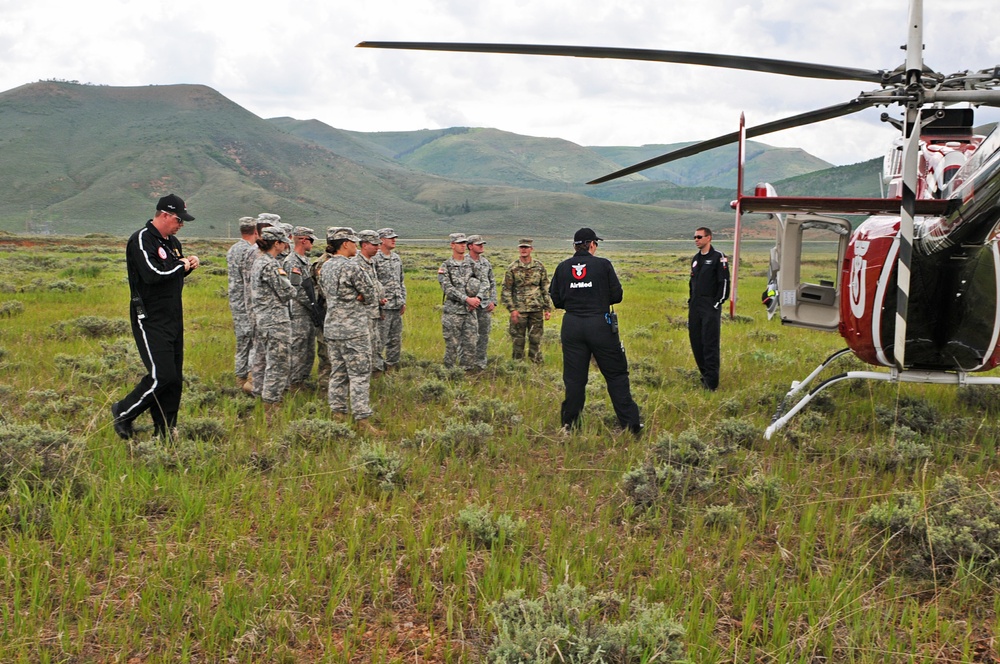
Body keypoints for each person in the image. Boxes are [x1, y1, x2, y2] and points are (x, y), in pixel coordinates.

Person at [110, 194, 199, 440]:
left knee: (174, 379)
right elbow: (152, 274)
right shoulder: (141, 239)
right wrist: (182, 266)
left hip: (173, 316)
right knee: (163, 375)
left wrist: (187, 266)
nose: (181, 225)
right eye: (179, 220)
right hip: (149, 317)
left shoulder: (173, 242)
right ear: (164, 215)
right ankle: (123, 411)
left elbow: (171, 276)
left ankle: (165, 431)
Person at [549, 228, 642, 435]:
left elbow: (556, 299)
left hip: (572, 325)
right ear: (591, 244)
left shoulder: (563, 267)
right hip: (600, 324)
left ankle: (570, 425)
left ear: (575, 246)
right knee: (616, 375)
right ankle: (631, 426)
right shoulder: (603, 265)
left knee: (574, 379)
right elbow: (617, 295)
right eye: (596, 244)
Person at [318, 228, 382, 435]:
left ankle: (338, 414)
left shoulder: (325, 267)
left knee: (338, 372)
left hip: (332, 327)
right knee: (360, 374)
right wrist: (361, 297)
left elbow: (324, 293)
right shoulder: (352, 267)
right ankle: (362, 420)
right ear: (345, 244)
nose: (356, 246)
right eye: (353, 242)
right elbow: (371, 293)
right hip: (353, 328)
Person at [249, 226, 295, 409]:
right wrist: (294, 286)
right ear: (276, 243)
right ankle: (271, 404)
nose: (285, 246)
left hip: (263, 319)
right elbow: (287, 292)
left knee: (262, 359)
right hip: (276, 320)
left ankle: (259, 394)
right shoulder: (270, 264)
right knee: (278, 363)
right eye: (284, 243)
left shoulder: (259, 261)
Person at [688, 227, 730, 391]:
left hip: (710, 307)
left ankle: (712, 383)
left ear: (709, 238)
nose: (696, 240)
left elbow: (724, 282)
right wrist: (691, 301)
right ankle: (704, 375)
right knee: (696, 342)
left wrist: (717, 303)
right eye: (694, 237)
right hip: (695, 306)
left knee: (709, 343)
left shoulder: (718, 257)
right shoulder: (696, 259)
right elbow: (692, 283)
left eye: (699, 237)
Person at [501, 237, 552, 363]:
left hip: (536, 309)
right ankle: (517, 367)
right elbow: (506, 290)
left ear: (531, 249)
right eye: (521, 247)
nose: (524, 250)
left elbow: (545, 287)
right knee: (518, 340)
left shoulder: (539, 267)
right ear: (519, 249)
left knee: (536, 339)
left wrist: (547, 308)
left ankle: (536, 366)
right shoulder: (512, 268)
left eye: (526, 247)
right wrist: (512, 309)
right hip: (519, 310)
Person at [283, 226, 321, 389]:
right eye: (311, 240)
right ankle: (294, 382)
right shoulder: (292, 262)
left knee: (308, 348)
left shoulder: (304, 260)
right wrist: (314, 305)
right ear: (303, 240)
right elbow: (296, 290)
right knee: (298, 348)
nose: (312, 244)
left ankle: (302, 380)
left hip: (308, 313)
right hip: (298, 312)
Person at [437, 233, 479, 370]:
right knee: (452, 345)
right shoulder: (446, 266)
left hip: (470, 312)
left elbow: (484, 282)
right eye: (460, 243)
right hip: (453, 312)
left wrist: (478, 299)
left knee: (471, 344)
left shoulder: (472, 264)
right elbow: (447, 288)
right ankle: (449, 372)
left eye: (464, 243)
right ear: (452, 245)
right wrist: (466, 299)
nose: (463, 245)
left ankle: (467, 372)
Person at [226, 216, 258, 391]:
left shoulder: (233, 249)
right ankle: (248, 380)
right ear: (255, 231)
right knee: (252, 341)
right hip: (247, 302)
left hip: (236, 302)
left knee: (242, 342)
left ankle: (240, 377)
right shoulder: (249, 251)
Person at [354, 230, 387, 375]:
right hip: (362, 314)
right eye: (374, 245)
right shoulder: (355, 263)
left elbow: (374, 285)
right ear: (365, 245)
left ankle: (376, 372)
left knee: (376, 344)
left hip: (374, 311)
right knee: (364, 347)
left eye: (379, 244)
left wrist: (380, 300)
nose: (378, 248)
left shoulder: (371, 262)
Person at [374, 228, 406, 372]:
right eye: (390, 238)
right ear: (381, 240)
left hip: (396, 306)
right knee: (379, 340)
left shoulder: (396, 258)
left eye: (394, 237)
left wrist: (403, 300)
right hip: (383, 308)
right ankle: (376, 369)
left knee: (395, 340)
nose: (394, 240)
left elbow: (401, 281)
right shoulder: (375, 259)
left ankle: (392, 367)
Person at [466, 235, 497, 371]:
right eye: (478, 244)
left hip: (484, 305)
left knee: (483, 334)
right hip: (469, 306)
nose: (481, 246)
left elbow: (492, 282)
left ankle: (480, 363)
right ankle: (466, 363)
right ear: (470, 246)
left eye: (482, 244)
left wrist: (493, 301)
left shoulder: (486, 263)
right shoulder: (463, 262)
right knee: (468, 335)